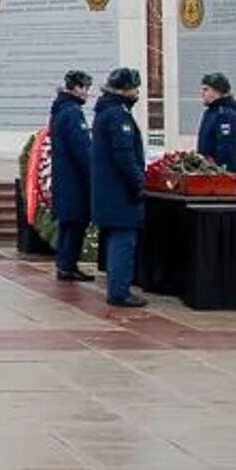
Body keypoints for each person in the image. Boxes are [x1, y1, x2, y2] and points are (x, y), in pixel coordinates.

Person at [90, 67, 148, 308]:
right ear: (125, 89)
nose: (137, 94)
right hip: (119, 191)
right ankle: (120, 292)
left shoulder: (106, 112)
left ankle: (118, 288)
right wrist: (138, 183)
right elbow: (124, 155)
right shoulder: (117, 115)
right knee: (123, 240)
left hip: (108, 190)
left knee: (118, 239)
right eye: (135, 89)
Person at [48, 69, 95, 283]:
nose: (87, 93)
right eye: (85, 88)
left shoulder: (60, 110)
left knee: (68, 223)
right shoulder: (73, 113)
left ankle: (64, 263)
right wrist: (91, 173)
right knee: (76, 222)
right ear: (76, 88)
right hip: (74, 179)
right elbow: (82, 149)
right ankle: (68, 265)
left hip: (64, 177)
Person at [195, 72, 236, 176]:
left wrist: (222, 173)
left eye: (206, 89)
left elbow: (227, 149)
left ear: (218, 91)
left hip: (221, 177)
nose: (202, 93)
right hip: (210, 173)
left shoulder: (225, 115)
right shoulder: (211, 113)